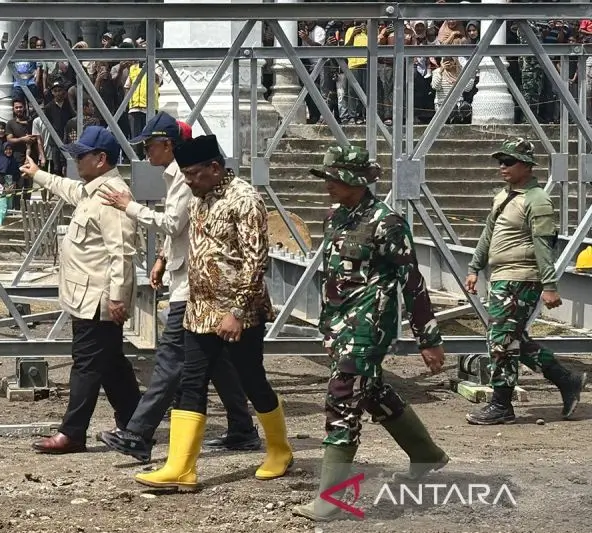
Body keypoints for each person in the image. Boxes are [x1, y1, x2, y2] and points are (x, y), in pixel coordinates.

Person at [291, 145, 448, 522]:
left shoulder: (387, 223)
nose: (327, 184)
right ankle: (426, 454)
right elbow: (334, 277)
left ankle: (331, 499)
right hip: (339, 326)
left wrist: (428, 339)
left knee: (343, 397)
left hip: (368, 328)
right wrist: (327, 325)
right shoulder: (335, 217)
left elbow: (412, 282)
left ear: (356, 181)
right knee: (371, 390)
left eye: (334, 178)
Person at [96, 113, 260, 463]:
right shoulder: (184, 175)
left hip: (195, 286)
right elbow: (187, 228)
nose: (146, 153)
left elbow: (175, 224)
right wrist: (162, 258)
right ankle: (242, 427)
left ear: (167, 144)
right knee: (216, 361)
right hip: (191, 279)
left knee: (171, 359)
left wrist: (130, 207)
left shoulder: (191, 179)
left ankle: (138, 433)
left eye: (149, 146)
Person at [134, 134, 293, 492]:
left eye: (193, 174)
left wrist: (237, 311)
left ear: (215, 168)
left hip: (240, 311)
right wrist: (162, 258)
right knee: (191, 381)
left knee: (251, 379)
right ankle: (180, 467)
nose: (189, 181)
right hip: (200, 308)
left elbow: (256, 261)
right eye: (185, 175)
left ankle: (279, 450)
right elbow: (185, 239)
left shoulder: (245, 199)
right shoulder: (199, 198)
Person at [20, 126, 142, 454]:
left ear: (101, 159)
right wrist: (38, 174)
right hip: (87, 296)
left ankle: (72, 433)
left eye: (81, 155)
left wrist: (117, 296)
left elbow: (121, 252)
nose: (76, 161)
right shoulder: (94, 190)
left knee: (87, 365)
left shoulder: (112, 196)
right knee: (112, 364)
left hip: (98, 299)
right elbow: (69, 189)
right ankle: (136, 423)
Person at [465, 138, 587, 425]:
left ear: (527, 166)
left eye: (509, 162)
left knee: (501, 340)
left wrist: (550, 285)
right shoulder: (503, 196)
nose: (502, 167)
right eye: (501, 162)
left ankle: (501, 405)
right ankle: (566, 379)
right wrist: (474, 267)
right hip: (501, 278)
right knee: (513, 340)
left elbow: (544, 246)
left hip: (521, 279)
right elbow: (488, 234)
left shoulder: (537, 200)